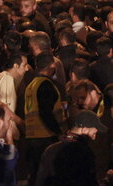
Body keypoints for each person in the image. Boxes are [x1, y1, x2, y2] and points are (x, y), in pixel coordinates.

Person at [24, 52, 66, 184]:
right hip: (45, 136)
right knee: (46, 175)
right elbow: (46, 112)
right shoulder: (46, 85)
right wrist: (59, 132)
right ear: (51, 66)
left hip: (32, 136)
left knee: (35, 174)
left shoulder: (31, 85)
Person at [35, 110, 107, 186]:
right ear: (84, 129)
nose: (94, 138)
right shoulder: (84, 152)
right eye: (94, 134)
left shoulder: (50, 150)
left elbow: (40, 181)